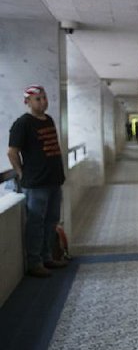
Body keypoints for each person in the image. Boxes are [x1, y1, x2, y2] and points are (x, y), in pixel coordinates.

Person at [7, 85, 68, 278]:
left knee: (51, 221)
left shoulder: (48, 120)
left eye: (44, 98)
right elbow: (12, 151)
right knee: (36, 222)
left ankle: (47, 256)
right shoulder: (23, 123)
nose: (43, 102)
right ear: (27, 102)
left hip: (53, 180)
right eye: (38, 99)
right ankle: (35, 262)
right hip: (36, 183)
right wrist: (20, 173)